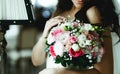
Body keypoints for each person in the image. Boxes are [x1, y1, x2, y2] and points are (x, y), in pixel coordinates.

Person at [31, 0, 118, 74]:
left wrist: (58, 73)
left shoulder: (93, 12)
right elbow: (36, 61)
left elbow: (106, 71)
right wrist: (45, 35)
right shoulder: (59, 11)